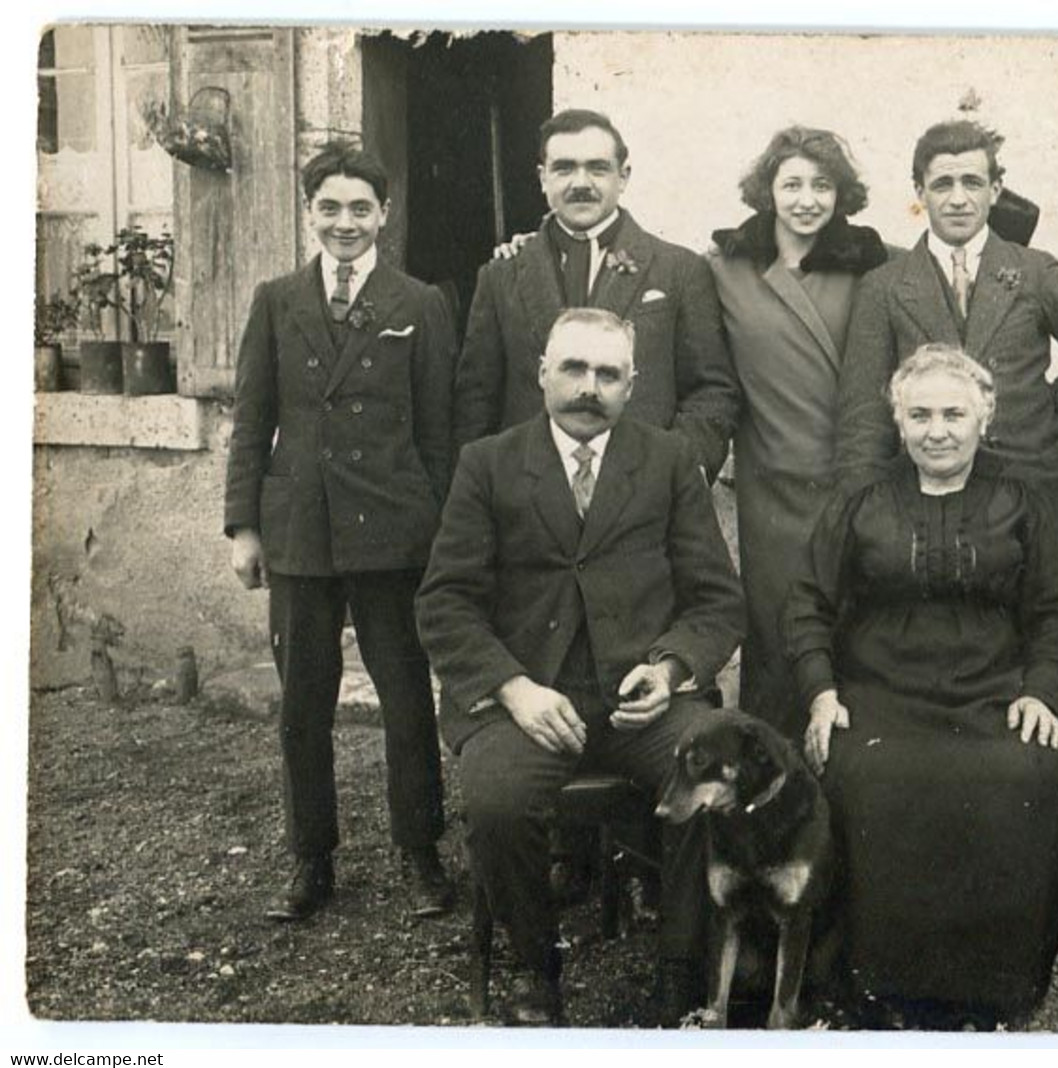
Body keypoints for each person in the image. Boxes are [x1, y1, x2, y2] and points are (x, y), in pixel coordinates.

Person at [416, 308, 744, 1026]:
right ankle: (536, 968)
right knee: (497, 802)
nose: (588, 387)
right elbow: (444, 604)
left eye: (607, 374)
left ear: (632, 385)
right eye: (573, 368)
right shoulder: (488, 463)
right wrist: (512, 688)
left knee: (715, 767)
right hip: (527, 701)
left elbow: (717, 601)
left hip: (637, 704)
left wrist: (669, 670)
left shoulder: (665, 463)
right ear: (541, 374)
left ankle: (679, 972)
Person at [784, 345, 1058, 1027]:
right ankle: (876, 984)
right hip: (880, 695)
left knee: (1024, 774)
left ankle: (994, 985)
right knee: (868, 778)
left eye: (953, 413)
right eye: (920, 415)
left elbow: (1054, 609)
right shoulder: (860, 502)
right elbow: (806, 603)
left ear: (984, 418)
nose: (937, 429)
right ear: (898, 422)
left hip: (992, 695)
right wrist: (820, 692)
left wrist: (1040, 691)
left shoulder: (1020, 503)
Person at [222, 141, 457, 922]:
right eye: (330, 207)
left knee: (405, 701)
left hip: (393, 533)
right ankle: (310, 860)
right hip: (301, 533)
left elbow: (439, 432)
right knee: (303, 706)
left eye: (361, 208)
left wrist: (438, 530)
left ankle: (419, 853)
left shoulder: (419, 303)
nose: (345, 222)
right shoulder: (277, 298)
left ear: (384, 214)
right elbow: (251, 422)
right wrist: (243, 528)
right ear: (309, 211)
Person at [836, 119, 1058, 557]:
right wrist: (866, 510)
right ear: (919, 192)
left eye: (973, 182)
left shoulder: (1035, 272)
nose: (959, 199)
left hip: (1036, 491)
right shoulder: (885, 287)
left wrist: (1051, 409)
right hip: (929, 502)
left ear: (996, 189)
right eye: (942, 184)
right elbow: (864, 415)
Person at [707, 126, 889, 736]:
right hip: (772, 485)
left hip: (855, 478)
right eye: (792, 184)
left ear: (842, 194)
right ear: (768, 191)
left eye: (823, 185)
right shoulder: (725, 267)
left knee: (853, 630)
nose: (807, 199)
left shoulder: (872, 265)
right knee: (777, 633)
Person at [453, 108, 739, 480]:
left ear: (623, 177)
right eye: (564, 168)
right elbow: (475, 402)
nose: (581, 182)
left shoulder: (679, 270)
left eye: (597, 168)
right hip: (527, 499)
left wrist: (675, 472)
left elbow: (711, 390)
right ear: (542, 178)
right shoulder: (501, 275)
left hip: (642, 496)